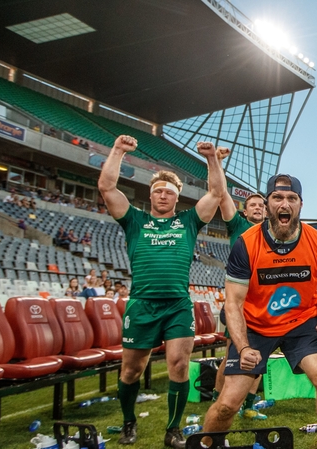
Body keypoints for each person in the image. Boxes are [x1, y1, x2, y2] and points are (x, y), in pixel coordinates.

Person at [98, 135, 225, 448]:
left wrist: (211, 159)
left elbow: (217, 193)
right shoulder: (135, 221)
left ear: (177, 196)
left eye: (169, 192)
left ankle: (173, 430)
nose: (164, 196)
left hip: (178, 306)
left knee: (179, 367)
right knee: (131, 370)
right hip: (141, 305)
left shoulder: (188, 222)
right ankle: (129, 422)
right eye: (158, 192)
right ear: (151, 195)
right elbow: (107, 188)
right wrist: (117, 151)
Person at [203, 174, 317, 448]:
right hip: (256, 326)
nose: (285, 203)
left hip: (302, 323)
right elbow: (233, 303)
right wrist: (243, 348)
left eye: (291, 198)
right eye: (277, 198)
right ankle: (206, 444)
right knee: (228, 404)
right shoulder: (246, 243)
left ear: (300, 205)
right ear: (268, 204)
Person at [211, 146, 269, 420]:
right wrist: (218, 162)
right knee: (232, 352)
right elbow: (221, 195)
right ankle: (218, 395)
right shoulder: (237, 227)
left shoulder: (272, 234)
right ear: (245, 212)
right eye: (253, 205)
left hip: (266, 303)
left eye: (261, 205)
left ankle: (248, 404)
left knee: (259, 355)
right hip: (239, 302)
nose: (258, 208)